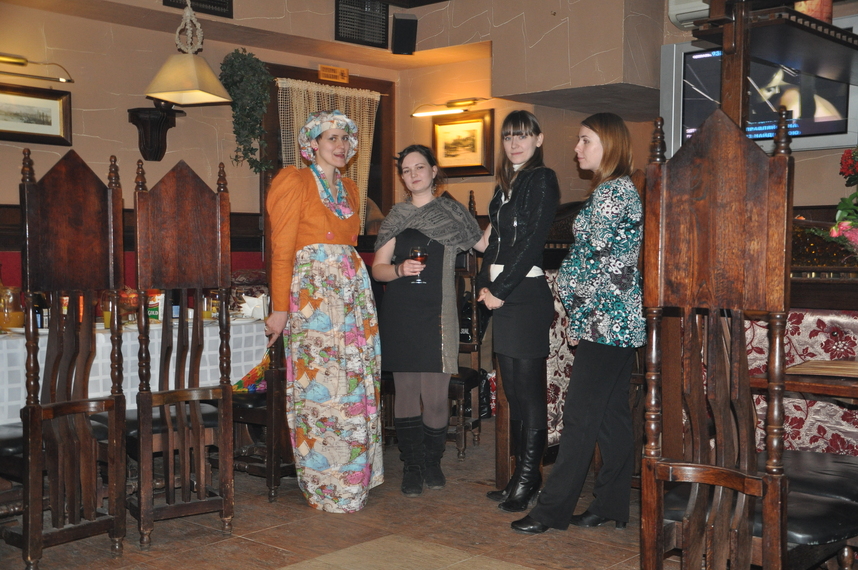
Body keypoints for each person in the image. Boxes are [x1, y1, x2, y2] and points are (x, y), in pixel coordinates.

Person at [511, 112, 645, 534]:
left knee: (580, 418)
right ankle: (611, 504)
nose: (577, 148)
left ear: (610, 144)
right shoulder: (616, 189)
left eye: (586, 140)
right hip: (615, 321)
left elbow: (592, 265)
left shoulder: (612, 194)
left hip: (605, 321)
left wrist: (572, 306)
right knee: (611, 417)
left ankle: (550, 512)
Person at [264, 110, 383, 513]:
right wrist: (280, 309)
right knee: (322, 383)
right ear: (312, 144)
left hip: (351, 292)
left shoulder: (350, 188)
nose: (340, 145)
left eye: (345, 139)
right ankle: (327, 484)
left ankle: (354, 477)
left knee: (353, 381)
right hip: (314, 294)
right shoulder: (294, 181)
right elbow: (282, 249)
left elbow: (350, 242)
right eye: (331, 138)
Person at [372, 144, 483, 497]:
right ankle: (413, 466)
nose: (413, 174)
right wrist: (398, 269)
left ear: (434, 171)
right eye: (406, 170)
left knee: (435, 397)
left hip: (439, 312)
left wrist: (510, 209)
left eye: (420, 167)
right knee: (406, 393)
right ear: (402, 178)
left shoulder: (453, 213)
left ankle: (433, 462)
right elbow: (377, 268)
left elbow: (484, 245)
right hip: (401, 312)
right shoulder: (397, 216)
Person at [477, 110, 559, 513]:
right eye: (509, 136)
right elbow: (493, 244)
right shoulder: (505, 185)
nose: (514, 143)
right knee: (512, 392)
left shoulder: (541, 179)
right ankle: (520, 476)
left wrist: (500, 290)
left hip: (524, 296)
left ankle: (530, 477)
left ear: (538, 140)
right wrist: (483, 285)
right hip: (503, 296)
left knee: (529, 395)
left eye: (523, 135)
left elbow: (530, 243)